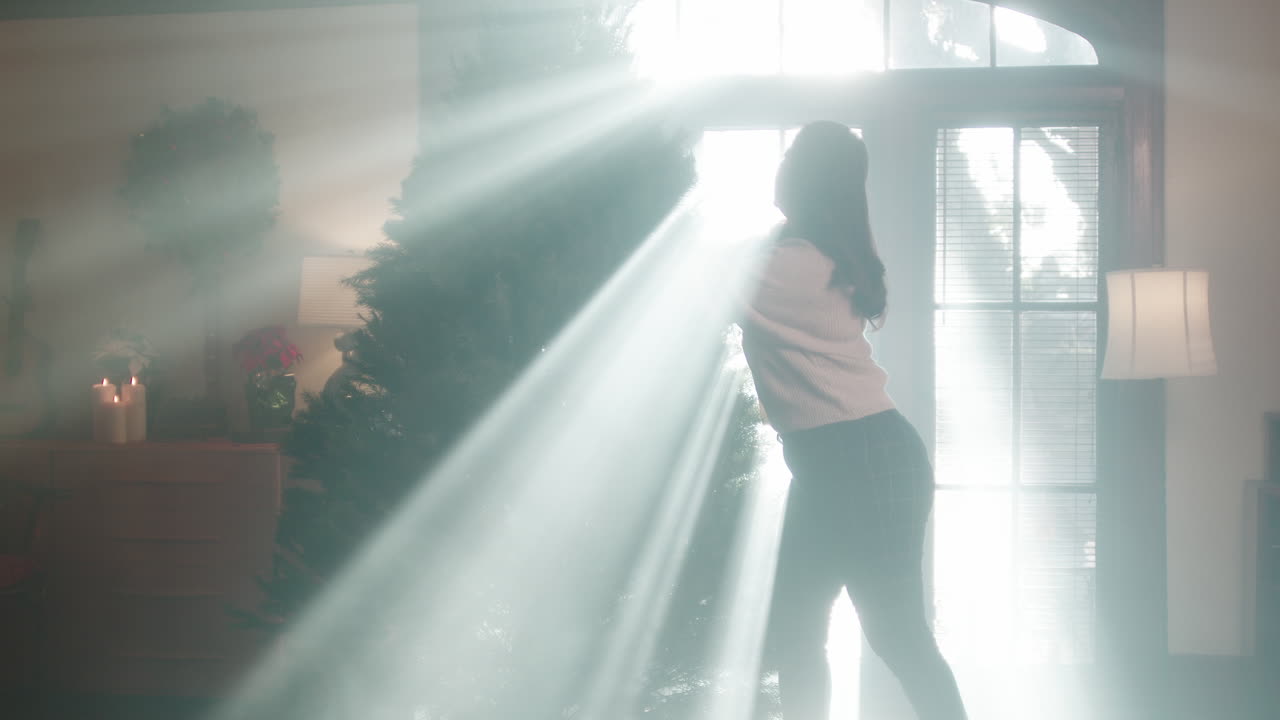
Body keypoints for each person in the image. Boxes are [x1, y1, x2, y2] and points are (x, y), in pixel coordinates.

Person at [739, 121, 968, 720]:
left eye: (791, 155)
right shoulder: (818, 255)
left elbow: (702, 287)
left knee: (894, 633)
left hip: (861, 459)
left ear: (808, 178)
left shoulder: (790, 265)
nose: (780, 164)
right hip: (847, 460)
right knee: (798, 628)